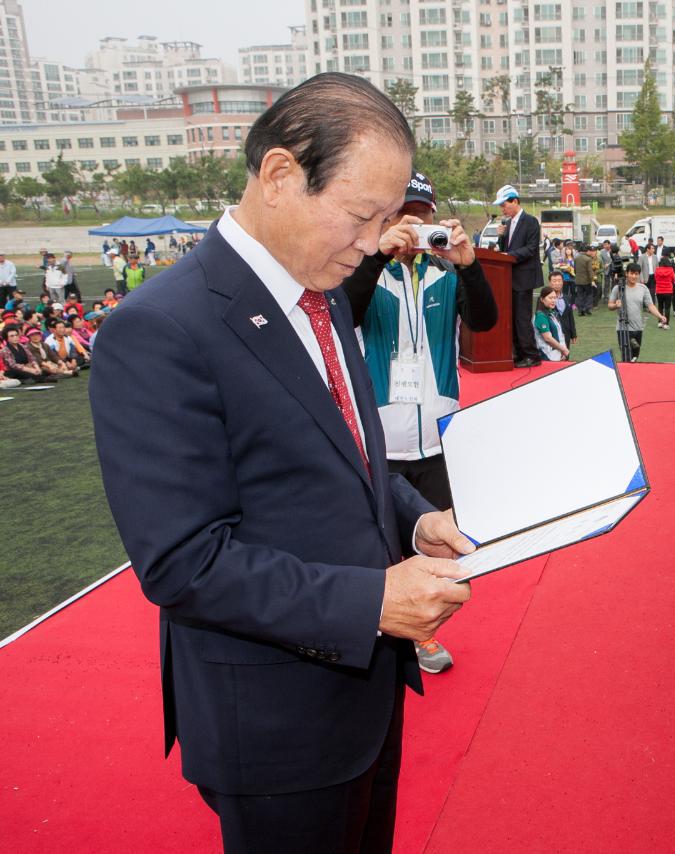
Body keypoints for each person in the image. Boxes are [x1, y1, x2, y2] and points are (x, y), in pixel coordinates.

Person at [89, 72, 474, 854]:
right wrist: (373, 603)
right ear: (278, 176)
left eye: (385, 219)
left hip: (366, 697)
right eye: (361, 216)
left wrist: (416, 516)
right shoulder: (160, 329)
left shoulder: (324, 289)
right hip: (276, 726)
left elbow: (348, 454)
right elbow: (183, 561)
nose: (372, 243)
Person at [340, 170, 498, 676]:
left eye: (423, 215)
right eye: (403, 214)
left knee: (437, 542)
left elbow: (487, 322)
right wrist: (378, 254)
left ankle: (424, 634)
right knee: (380, 543)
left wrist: (469, 266)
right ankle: (383, 625)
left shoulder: (445, 275)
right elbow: (346, 314)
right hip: (381, 439)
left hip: (438, 436)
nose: (414, 223)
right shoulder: (362, 273)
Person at [494, 184, 543, 367]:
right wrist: (501, 237)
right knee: (512, 317)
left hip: (523, 277)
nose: (502, 208)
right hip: (510, 278)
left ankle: (531, 354)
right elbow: (505, 249)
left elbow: (531, 248)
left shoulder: (530, 221)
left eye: (504, 204)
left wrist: (510, 256)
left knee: (522, 318)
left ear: (515, 201)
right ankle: (518, 353)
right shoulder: (508, 223)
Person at [609, 261, 666, 362]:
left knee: (635, 357)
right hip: (623, 327)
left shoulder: (643, 288)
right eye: (631, 273)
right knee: (626, 356)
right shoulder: (618, 288)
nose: (634, 276)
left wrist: (660, 316)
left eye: (636, 274)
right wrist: (615, 305)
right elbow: (610, 305)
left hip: (638, 328)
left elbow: (650, 305)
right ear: (627, 273)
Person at [534, 285, 570, 361]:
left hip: (555, 355)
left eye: (555, 298)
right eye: (550, 298)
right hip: (547, 356)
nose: (553, 300)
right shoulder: (540, 316)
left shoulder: (551, 313)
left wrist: (562, 349)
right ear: (542, 299)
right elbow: (548, 338)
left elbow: (560, 334)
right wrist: (563, 349)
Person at [573, 241, 596, 316]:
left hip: (578, 280)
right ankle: (587, 309)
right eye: (591, 251)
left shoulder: (576, 258)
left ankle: (580, 310)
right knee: (589, 295)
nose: (591, 253)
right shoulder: (588, 259)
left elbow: (575, 269)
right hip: (586, 281)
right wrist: (592, 280)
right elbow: (590, 271)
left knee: (580, 295)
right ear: (587, 251)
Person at [653, 255, 675, 329]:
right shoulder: (671, 270)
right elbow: (673, 280)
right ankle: (666, 324)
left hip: (659, 291)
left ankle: (660, 322)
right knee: (667, 308)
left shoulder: (657, 270)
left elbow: (655, 279)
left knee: (660, 307)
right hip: (668, 291)